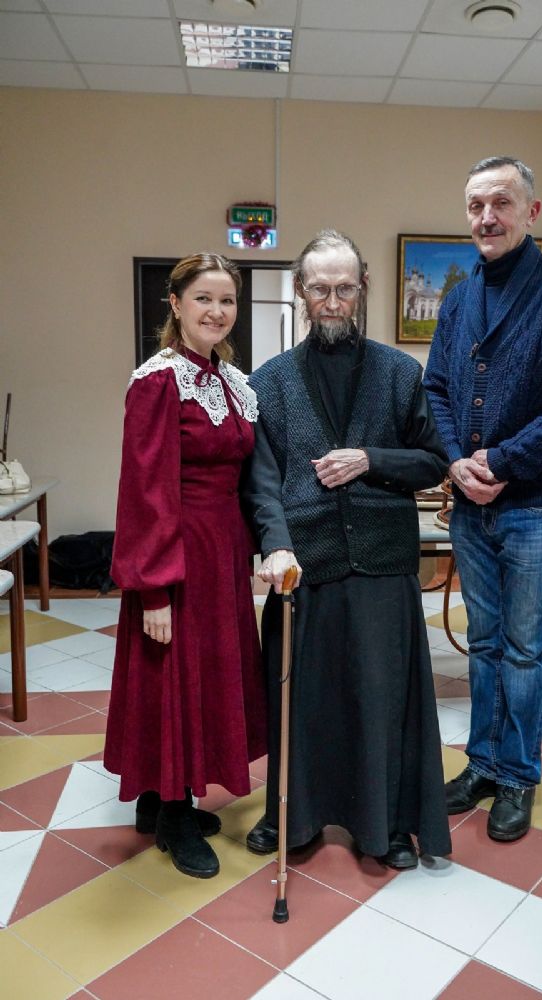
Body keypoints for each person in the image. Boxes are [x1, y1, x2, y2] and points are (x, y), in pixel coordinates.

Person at [242, 229, 451, 869]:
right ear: (301, 291)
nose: (333, 302)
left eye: (345, 289)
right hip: (304, 565)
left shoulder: (399, 373)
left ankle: (384, 824)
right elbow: (262, 482)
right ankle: (295, 816)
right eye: (320, 289)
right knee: (303, 702)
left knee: (380, 698)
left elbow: (433, 461)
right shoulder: (269, 382)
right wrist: (275, 546)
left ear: (363, 288)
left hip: (382, 561)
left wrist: (370, 460)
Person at [424, 156, 542, 841]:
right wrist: (455, 460)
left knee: (525, 649)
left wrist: (504, 461)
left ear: (530, 211)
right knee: (483, 643)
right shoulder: (459, 298)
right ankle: (482, 762)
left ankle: (517, 775)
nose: (487, 217)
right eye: (476, 205)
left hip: (536, 504)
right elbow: (436, 388)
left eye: (501, 202)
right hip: (472, 504)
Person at [104, 253, 266, 878]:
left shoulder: (232, 381)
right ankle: (174, 813)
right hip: (174, 556)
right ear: (175, 303)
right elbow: (145, 490)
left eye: (227, 301)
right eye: (204, 298)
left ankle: (157, 799)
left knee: (202, 675)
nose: (217, 312)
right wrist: (153, 591)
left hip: (220, 553)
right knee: (173, 676)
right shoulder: (158, 381)